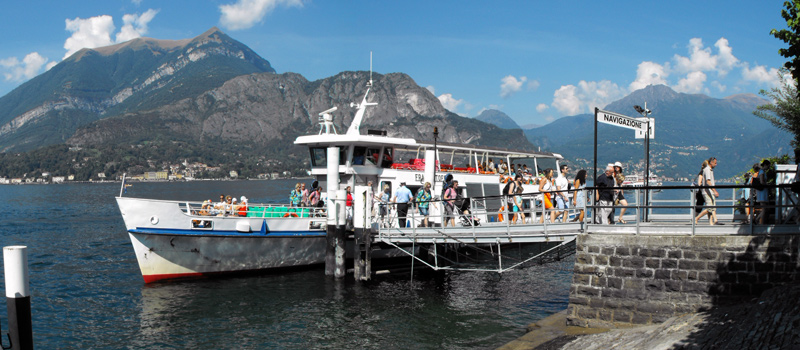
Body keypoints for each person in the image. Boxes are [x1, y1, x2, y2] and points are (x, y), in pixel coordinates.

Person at [696, 157, 720, 225]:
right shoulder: (707, 170)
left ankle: (711, 222)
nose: (716, 164)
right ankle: (696, 218)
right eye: (715, 163)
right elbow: (708, 181)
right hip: (707, 191)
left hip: (709, 191)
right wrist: (714, 190)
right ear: (711, 162)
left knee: (712, 208)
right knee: (710, 208)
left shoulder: (710, 170)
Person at [756, 159, 770, 224]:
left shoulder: (762, 171)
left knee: (765, 208)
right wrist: (767, 184)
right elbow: (762, 181)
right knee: (764, 208)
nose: (768, 167)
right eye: (768, 166)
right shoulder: (762, 172)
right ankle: (758, 220)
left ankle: (759, 220)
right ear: (765, 165)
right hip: (762, 192)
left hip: (763, 191)